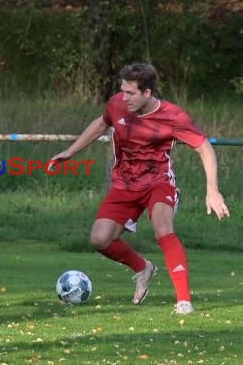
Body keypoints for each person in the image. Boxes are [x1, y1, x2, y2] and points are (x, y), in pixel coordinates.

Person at [49, 63, 230, 315]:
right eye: (123, 91)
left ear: (147, 93)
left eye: (131, 93)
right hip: (124, 183)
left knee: (163, 230)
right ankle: (143, 268)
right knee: (100, 239)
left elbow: (204, 147)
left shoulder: (173, 116)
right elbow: (101, 124)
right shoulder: (117, 105)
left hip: (158, 182)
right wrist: (70, 152)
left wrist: (213, 189)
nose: (125, 97)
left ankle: (184, 301)